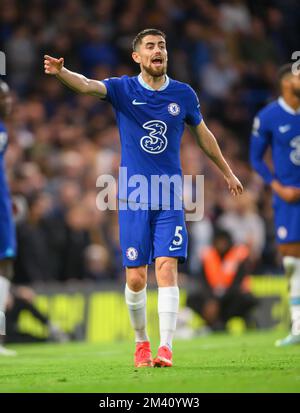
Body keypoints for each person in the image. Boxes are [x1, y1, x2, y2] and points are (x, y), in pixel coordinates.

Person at [44, 28, 243, 367]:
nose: (158, 50)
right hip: (134, 197)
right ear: (137, 56)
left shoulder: (183, 94)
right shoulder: (123, 88)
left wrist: (227, 170)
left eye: (162, 45)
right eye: (150, 46)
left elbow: (204, 134)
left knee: (166, 267)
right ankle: (141, 343)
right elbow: (89, 85)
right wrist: (63, 72)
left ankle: (166, 347)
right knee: (136, 277)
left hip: (169, 196)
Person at [250, 63, 300, 346]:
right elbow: (256, 158)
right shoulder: (268, 116)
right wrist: (277, 186)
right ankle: (298, 326)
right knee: (292, 262)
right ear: (285, 82)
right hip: (288, 200)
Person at [186, 229, 258, 332]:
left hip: (231, 295)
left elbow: (238, 282)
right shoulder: (208, 256)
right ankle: (211, 323)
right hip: (212, 295)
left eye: (224, 241)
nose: (221, 244)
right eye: (219, 241)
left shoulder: (238, 256)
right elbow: (203, 282)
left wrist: (218, 301)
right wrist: (210, 299)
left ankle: (229, 320)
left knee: (245, 298)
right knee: (192, 299)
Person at [0, 81, 17, 355]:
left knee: (6, 264)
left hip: (3, 203)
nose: (9, 101)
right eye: (3, 97)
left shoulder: (3, 129)